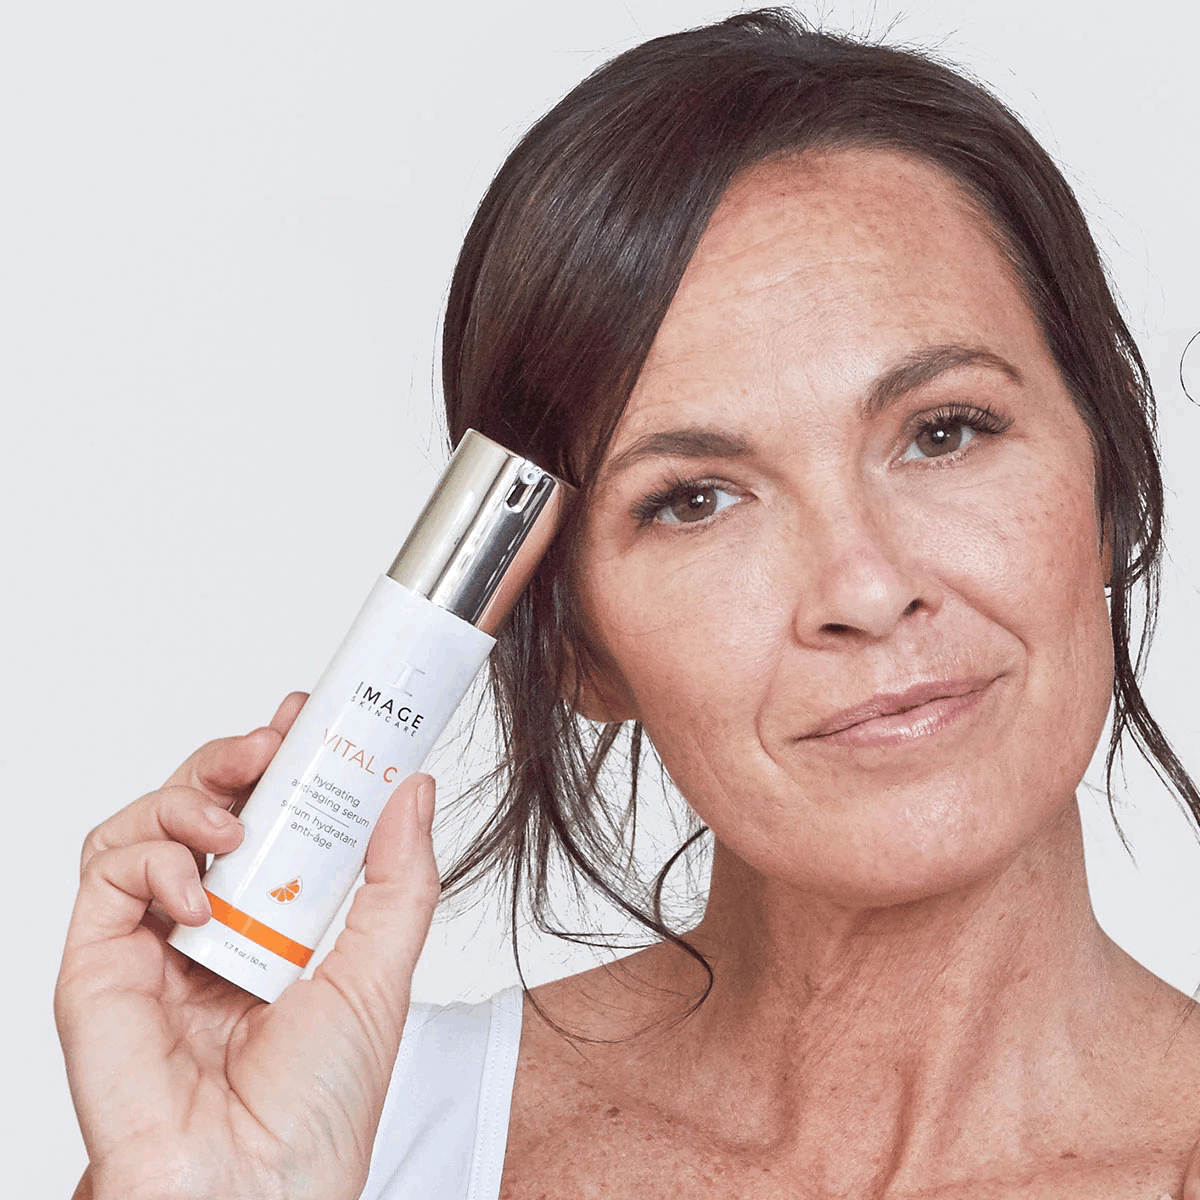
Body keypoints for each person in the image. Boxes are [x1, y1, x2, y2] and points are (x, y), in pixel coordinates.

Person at [54, 9, 1200, 1198]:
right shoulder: (335, 1138)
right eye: (696, 500)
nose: (865, 588)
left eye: (946, 432)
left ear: (1110, 481)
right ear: (575, 644)